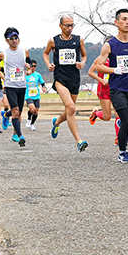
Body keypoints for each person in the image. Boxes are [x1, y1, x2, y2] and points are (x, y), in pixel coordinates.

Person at [95, 9, 128, 164]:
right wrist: (114, 70)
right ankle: (123, 152)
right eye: (124, 19)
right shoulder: (109, 45)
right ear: (116, 23)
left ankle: (122, 124)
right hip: (117, 89)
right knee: (126, 120)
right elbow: (98, 66)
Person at [42, 15, 89, 152]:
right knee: (71, 107)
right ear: (60, 25)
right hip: (60, 78)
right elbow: (45, 54)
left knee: (69, 110)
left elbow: (84, 55)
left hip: (74, 78)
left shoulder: (78, 40)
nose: (70, 28)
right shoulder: (53, 41)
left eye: (72, 25)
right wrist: (48, 64)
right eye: (67, 25)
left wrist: (83, 63)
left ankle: (56, 122)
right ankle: (78, 141)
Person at [0, 27, 31, 147]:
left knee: (18, 112)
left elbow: (31, 64)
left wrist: (28, 66)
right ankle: (20, 136)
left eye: (16, 38)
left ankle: (6, 116)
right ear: (7, 40)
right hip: (10, 86)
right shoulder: (3, 54)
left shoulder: (24, 51)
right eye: (12, 39)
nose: (14, 40)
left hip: (22, 85)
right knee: (15, 111)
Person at [87, 48, 121, 145]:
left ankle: (118, 138)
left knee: (119, 113)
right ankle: (96, 113)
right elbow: (90, 72)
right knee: (107, 117)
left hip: (116, 89)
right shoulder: (100, 59)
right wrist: (101, 80)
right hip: (104, 89)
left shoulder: (118, 58)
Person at [25, 59, 47, 131]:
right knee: (32, 108)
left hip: (36, 95)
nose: (33, 67)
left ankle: (32, 124)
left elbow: (42, 83)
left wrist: (44, 87)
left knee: (36, 111)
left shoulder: (37, 75)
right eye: (32, 66)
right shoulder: (25, 74)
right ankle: (28, 120)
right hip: (28, 95)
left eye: (35, 66)